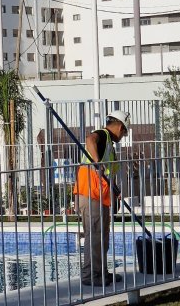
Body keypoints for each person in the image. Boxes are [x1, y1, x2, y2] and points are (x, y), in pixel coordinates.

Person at [74, 110, 130, 286]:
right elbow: (90, 139)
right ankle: (90, 276)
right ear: (120, 127)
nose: (123, 136)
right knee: (95, 236)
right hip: (91, 193)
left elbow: (107, 173)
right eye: (124, 132)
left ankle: (101, 272)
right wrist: (96, 161)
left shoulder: (109, 145)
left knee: (102, 237)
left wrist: (115, 190)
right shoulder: (103, 135)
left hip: (100, 195)